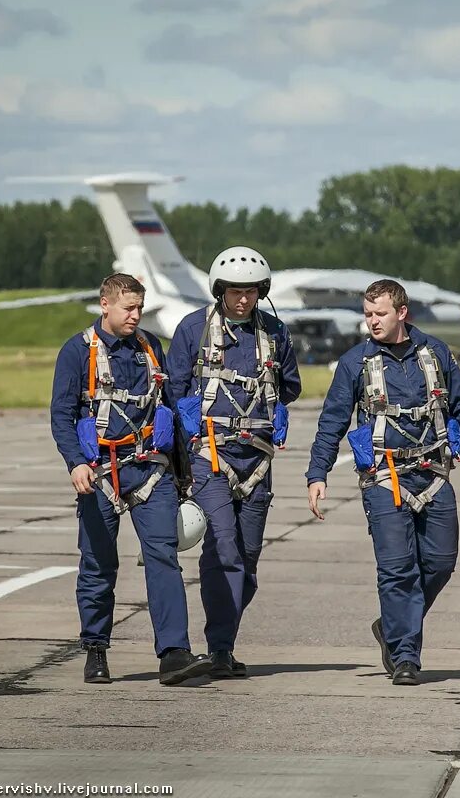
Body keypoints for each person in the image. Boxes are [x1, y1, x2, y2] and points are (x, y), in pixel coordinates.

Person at [305, 279, 460, 686]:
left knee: (441, 562)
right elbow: (331, 423)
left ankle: (391, 625)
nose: (372, 321)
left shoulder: (436, 353)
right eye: (367, 314)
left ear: (402, 312)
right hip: (383, 479)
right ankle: (405, 655)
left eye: (380, 314)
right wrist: (317, 474)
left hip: (434, 475)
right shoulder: (354, 363)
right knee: (397, 569)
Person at [49, 273, 211, 686]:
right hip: (99, 473)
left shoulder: (150, 348)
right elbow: (61, 415)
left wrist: (183, 473)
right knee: (99, 565)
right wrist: (74, 463)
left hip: (149, 470)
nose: (136, 315)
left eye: (139, 307)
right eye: (129, 308)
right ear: (105, 305)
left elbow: (171, 409)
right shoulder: (77, 352)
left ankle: (174, 653)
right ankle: (96, 650)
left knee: (164, 557)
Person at [167, 246, 301, 679]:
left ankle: (221, 645)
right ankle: (219, 648)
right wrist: (175, 462)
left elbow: (291, 386)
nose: (242, 300)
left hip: (258, 460)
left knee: (248, 559)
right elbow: (174, 390)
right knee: (224, 549)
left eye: (249, 292)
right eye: (234, 292)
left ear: (261, 291)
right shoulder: (193, 329)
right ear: (219, 290)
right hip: (210, 456)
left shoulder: (276, 333)